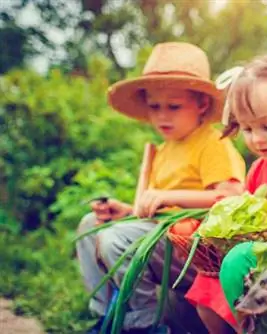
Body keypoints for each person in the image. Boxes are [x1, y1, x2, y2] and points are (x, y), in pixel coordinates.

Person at [76, 42, 246, 334]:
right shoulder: (166, 149)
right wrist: (128, 210)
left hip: (192, 249)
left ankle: (144, 323)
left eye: (174, 106)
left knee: (116, 240)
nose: (162, 116)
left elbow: (231, 195)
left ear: (201, 105)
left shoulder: (211, 143)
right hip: (160, 234)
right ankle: (107, 314)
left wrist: (165, 195)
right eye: (154, 107)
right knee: (89, 225)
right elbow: (158, 210)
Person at [186, 55, 267, 333]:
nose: (257, 138)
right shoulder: (259, 168)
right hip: (250, 261)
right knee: (207, 293)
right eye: (247, 128)